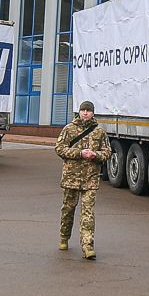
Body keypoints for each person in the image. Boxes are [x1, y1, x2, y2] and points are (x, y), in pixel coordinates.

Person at [54, 100, 110, 260]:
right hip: (71, 178)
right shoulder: (69, 129)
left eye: (88, 110)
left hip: (90, 178)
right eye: (83, 110)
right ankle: (64, 237)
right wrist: (79, 153)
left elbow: (107, 152)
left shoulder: (99, 132)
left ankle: (88, 246)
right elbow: (59, 148)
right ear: (79, 112)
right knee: (68, 209)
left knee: (88, 212)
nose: (85, 113)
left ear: (93, 113)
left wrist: (96, 155)